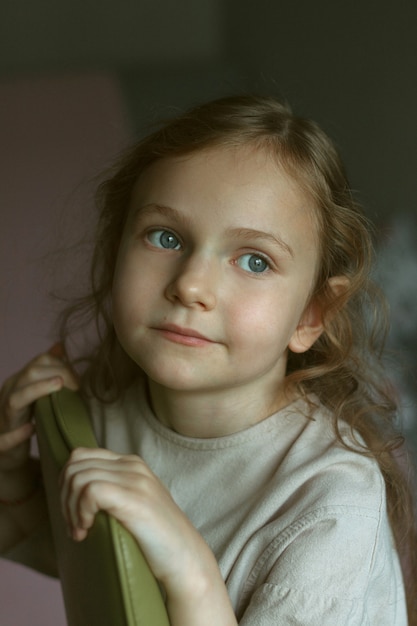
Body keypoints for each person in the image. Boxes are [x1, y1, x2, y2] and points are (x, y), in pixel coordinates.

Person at [0, 95, 416, 625]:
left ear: (311, 315)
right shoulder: (111, 407)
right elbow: (95, 574)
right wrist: (13, 475)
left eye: (254, 261)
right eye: (165, 237)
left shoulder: (329, 506)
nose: (192, 285)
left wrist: (191, 572)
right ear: (113, 253)